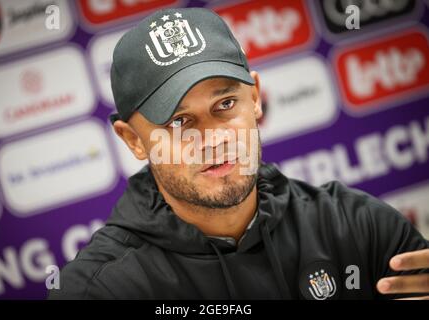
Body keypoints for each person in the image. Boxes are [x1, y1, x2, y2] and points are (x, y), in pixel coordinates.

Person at [48, 7, 429, 300]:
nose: (212, 140)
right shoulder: (98, 290)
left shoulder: (360, 228)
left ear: (255, 98)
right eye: (179, 122)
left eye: (226, 104)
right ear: (132, 139)